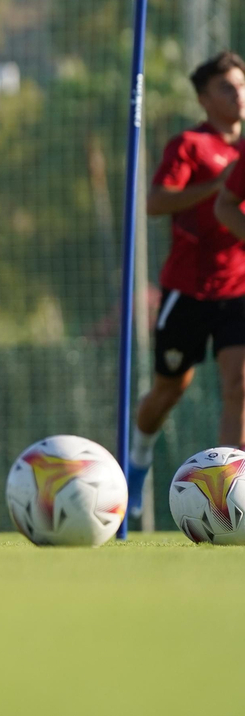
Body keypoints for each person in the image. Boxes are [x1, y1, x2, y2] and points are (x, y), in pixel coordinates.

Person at [127, 51, 245, 518]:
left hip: (239, 288)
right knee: (170, 389)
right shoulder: (190, 146)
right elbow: (155, 202)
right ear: (203, 98)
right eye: (226, 88)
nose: (238, 95)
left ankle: (231, 494)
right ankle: (137, 459)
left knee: (239, 384)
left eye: (241, 85)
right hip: (189, 289)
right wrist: (217, 185)